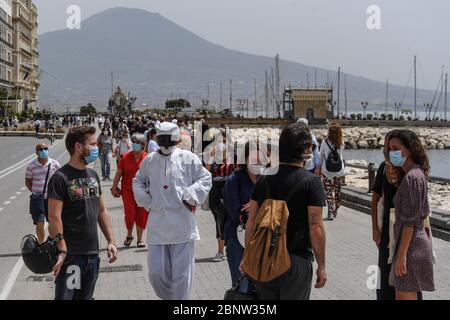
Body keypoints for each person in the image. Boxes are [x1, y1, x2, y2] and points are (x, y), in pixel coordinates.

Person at [242, 123, 327, 300]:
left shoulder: (263, 179)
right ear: (304, 149)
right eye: (310, 145)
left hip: (264, 258)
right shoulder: (312, 182)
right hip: (296, 261)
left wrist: (248, 256)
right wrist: (322, 265)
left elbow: (251, 222)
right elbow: (316, 227)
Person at [133, 122, 212, 300]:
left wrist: (191, 195)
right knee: (156, 274)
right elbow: (137, 181)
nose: (166, 143)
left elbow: (206, 178)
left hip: (182, 225)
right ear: (157, 138)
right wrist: (147, 202)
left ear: (176, 140)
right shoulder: (150, 160)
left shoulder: (188, 158)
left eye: (170, 140)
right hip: (157, 225)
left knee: (182, 276)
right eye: (163, 139)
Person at [47, 126, 118, 300]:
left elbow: (102, 211)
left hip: (92, 255)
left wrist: (111, 241)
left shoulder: (93, 174)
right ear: (78, 147)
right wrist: (62, 250)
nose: (97, 147)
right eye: (93, 144)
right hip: (72, 257)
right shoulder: (60, 178)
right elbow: (54, 218)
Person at [387, 130, 435, 300]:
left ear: (408, 150)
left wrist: (402, 255)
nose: (390, 152)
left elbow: (410, 222)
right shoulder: (413, 174)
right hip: (411, 244)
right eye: (389, 148)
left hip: (412, 246)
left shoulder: (412, 177)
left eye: (395, 148)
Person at [223, 141, 264, 290]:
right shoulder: (234, 180)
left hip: (262, 239)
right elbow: (235, 212)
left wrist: (255, 207)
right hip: (238, 240)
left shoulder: (267, 181)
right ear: (245, 159)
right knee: (242, 287)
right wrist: (259, 209)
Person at [111, 133, 149, 248]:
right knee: (130, 214)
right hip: (127, 191)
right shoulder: (125, 157)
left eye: (137, 143)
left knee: (142, 214)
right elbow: (118, 173)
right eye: (133, 142)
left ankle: (140, 239)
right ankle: (129, 234)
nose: (135, 145)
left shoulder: (148, 158)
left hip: (143, 191)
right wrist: (114, 187)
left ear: (143, 145)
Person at [205, 128, 234, 262]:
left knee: (230, 220)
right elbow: (206, 174)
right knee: (219, 220)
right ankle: (221, 251)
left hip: (229, 190)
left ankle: (231, 248)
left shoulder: (233, 156)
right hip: (216, 190)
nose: (221, 143)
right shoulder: (212, 155)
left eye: (223, 141)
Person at [25, 143, 61, 244]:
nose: (44, 150)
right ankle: (41, 244)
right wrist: (36, 191)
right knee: (40, 222)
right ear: (36, 152)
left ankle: (52, 243)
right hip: (38, 199)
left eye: (45, 148)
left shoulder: (55, 164)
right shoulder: (31, 166)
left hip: (52, 198)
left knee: (53, 222)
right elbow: (28, 182)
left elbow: (60, 179)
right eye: (41, 149)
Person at [318, 123, 345, 220]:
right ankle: (335, 208)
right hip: (339, 172)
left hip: (327, 172)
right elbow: (341, 156)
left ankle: (330, 211)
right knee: (337, 192)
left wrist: (319, 169)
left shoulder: (324, 142)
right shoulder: (341, 142)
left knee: (329, 192)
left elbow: (320, 157)